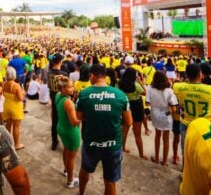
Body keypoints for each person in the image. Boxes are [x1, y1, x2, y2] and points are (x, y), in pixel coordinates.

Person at [76, 64, 132, 195]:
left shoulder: (84, 94)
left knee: (85, 170)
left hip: (91, 142)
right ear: (105, 76)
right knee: (110, 180)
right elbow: (128, 122)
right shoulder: (121, 95)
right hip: (113, 144)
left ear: (92, 76)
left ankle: (81, 193)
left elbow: (78, 117)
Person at [173, 63, 211, 151]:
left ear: (186, 74)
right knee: (204, 151)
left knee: (186, 151)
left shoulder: (177, 87)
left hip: (187, 123)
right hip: (205, 125)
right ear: (200, 74)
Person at [146, 71, 178, 166]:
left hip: (155, 113)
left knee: (157, 135)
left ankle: (156, 158)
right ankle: (164, 161)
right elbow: (174, 108)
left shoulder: (150, 89)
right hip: (166, 115)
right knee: (166, 139)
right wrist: (166, 113)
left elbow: (147, 103)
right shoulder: (169, 91)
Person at [55, 75, 81, 188]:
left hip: (61, 127)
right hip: (70, 131)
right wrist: (85, 117)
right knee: (72, 157)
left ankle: (66, 170)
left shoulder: (58, 95)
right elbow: (74, 122)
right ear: (63, 89)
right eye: (70, 87)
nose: (72, 89)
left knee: (66, 150)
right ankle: (70, 180)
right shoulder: (68, 102)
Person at [117, 67, 147, 159]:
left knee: (124, 131)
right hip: (137, 108)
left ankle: (122, 149)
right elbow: (145, 93)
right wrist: (140, 82)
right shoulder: (136, 85)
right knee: (138, 134)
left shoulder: (119, 84)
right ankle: (141, 154)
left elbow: (117, 93)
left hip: (125, 107)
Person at [48, 53, 68, 150]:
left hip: (53, 99)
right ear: (60, 62)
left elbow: (49, 86)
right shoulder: (64, 74)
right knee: (64, 122)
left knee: (54, 122)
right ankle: (65, 142)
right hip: (61, 100)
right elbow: (65, 90)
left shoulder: (49, 72)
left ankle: (54, 142)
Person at [2, 67, 25, 150]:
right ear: (14, 75)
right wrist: (23, 93)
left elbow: (4, 95)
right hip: (15, 108)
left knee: (8, 125)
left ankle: (8, 142)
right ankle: (16, 144)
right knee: (16, 127)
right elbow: (21, 98)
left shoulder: (4, 84)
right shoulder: (16, 85)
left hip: (7, 106)